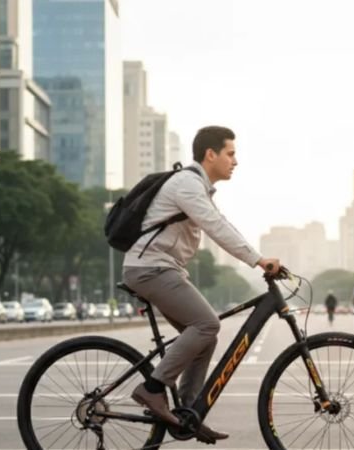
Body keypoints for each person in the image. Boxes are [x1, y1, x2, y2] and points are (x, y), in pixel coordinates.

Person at [122, 126, 281, 444]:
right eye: (230, 154)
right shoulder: (187, 184)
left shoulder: (198, 188)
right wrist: (258, 260)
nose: (235, 161)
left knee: (205, 337)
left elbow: (221, 223)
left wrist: (256, 257)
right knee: (207, 324)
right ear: (211, 154)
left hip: (163, 269)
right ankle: (152, 388)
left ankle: (190, 412)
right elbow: (216, 227)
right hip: (150, 269)